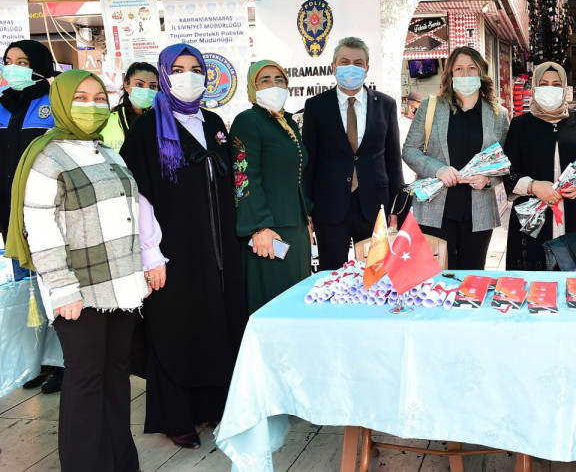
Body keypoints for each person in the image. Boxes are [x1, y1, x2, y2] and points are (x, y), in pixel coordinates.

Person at [6, 69, 165, 472]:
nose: (91, 106)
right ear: (61, 102)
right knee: (87, 379)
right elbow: (40, 227)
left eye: (98, 98)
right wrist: (62, 287)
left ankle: (119, 463)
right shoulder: (47, 157)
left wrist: (146, 263)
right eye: (80, 97)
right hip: (78, 289)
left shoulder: (107, 152)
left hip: (120, 286)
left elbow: (130, 213)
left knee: (116, 377)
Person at [120, 43, 246, 449]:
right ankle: (175, 415)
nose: (187, 76)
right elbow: (139, 195)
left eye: (195, 69)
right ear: (164, 75)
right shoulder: (147, 129)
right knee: (174, 327)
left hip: (217, 249)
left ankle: (212, 405)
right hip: (173, 249)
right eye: (177, 69)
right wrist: (150, 253)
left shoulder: (213, 122)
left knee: (215, 323)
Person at [402, 46, 509, 270]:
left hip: (479, 212)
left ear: (481, 72)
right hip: (435, 209)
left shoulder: (498, 114)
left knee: (472, 277)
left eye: (472, 68)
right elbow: (410, 150)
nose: (465, 74)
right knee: (437, 277)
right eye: (459, 69)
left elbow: (506, 162)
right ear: (450, 74)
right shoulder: (430, 107)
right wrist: (438, 169)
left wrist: (488, 180)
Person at [503, 62, 576, 270]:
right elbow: (508, 171)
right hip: (534, 222)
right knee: (535, 283)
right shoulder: (520, 125)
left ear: (565, 88)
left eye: (556, 84)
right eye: (544, 84)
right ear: (534, 87)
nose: (550, 89)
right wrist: (533, 186)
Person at [302, 37, 403, 270]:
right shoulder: (316, 106)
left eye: (358, 63)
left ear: (367, 68)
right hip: (330, 205)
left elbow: (393, 159)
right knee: (331, 274)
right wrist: (307, 209)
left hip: (374, 205)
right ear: (333, 67)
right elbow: (309, 161)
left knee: (375, 274)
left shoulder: (385, 104)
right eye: (344, 62)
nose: (351, 67)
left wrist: (396, 206)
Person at [1, 39, 63, 393]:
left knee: (53, 284)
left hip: (45, 212)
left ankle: (62, 362)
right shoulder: (1, 105)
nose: (13, 68)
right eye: (8, 61)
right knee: (28, 289)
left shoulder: (53, 104)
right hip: (9, 217)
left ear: (39, 66)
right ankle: (37, 361)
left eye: (22, 62)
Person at [230, 60, 312, 314]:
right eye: (264, 80)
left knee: (294, 306)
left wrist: (306, 216)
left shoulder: (286, 123)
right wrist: (258, 227)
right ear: (252, 87)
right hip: (268, 232)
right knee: (272, 307)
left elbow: (296, 174)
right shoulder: (248, 121)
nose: (273, 85)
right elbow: (244, 176)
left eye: (279, 80)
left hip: (294, 229)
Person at [102, 62, 159, 151]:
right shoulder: (108, 121)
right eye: (139, 84)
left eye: (152, 86)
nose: (146, 90)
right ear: (126, 85)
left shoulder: (164, 120)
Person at [399, 90, 425, 184]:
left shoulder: (424, 125)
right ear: (411, 107)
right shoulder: (401, 125)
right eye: (420, 108)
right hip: (407, 173)